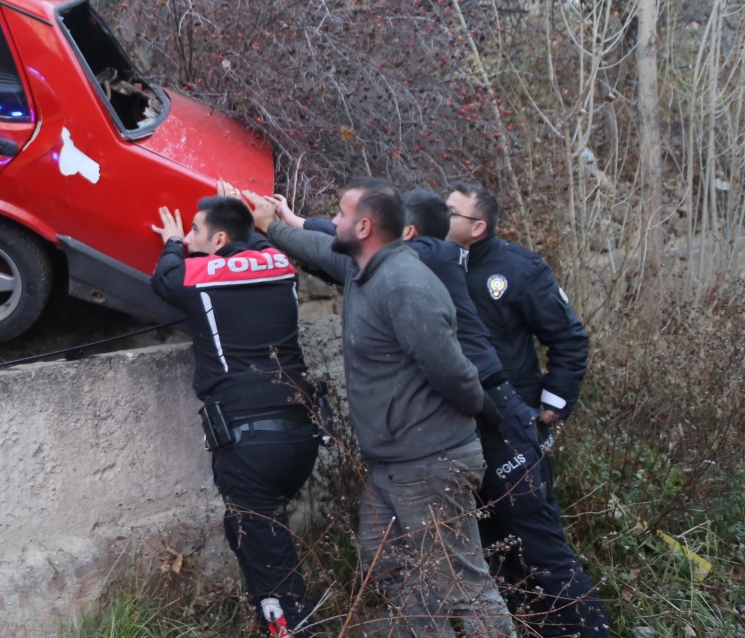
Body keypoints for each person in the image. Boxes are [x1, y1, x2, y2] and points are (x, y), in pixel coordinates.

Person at [248, 181, 515, 638]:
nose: (333, 220)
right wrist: (271, 224)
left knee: (462, 582)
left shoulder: (405, 283)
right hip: (391, 465)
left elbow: (451, 369)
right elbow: (314, 242)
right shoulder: (361, 267)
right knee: (387, 564)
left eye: (341, 214)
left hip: (433, 463)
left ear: (365, 227)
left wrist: (482, 410)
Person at [150, 196, 322, 638]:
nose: (188, 237)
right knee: (252, 535)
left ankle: (290, 629)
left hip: (248, 444)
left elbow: (165, 280)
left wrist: (171, 244)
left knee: (271, 568)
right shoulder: (281, 263)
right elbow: (263, 247)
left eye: (193, 230)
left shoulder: (198, 273)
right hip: (300, 436)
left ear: (219, 238)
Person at [447, 183, 608, 637]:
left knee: (539, 547)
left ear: (477, 227)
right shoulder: (432, 265)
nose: (443, 218)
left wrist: (549, 410)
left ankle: (584, 630)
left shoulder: (517, 269)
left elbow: (569, 338)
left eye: (452, 213)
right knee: (491, 550)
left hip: (514, 431)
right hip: (458, 436)